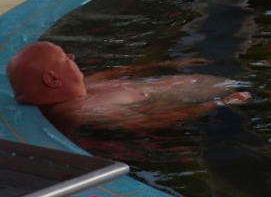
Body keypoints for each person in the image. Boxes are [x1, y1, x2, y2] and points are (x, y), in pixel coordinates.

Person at [6, 41, 249, 137]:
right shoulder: (87, 111)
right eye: (64, 58)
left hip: (203, 85)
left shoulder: (80, 87)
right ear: (52, 79)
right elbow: (154, 121)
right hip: (219, 99)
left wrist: (168, 63)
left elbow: (116, 73)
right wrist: (222, 103)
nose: (72, 56)